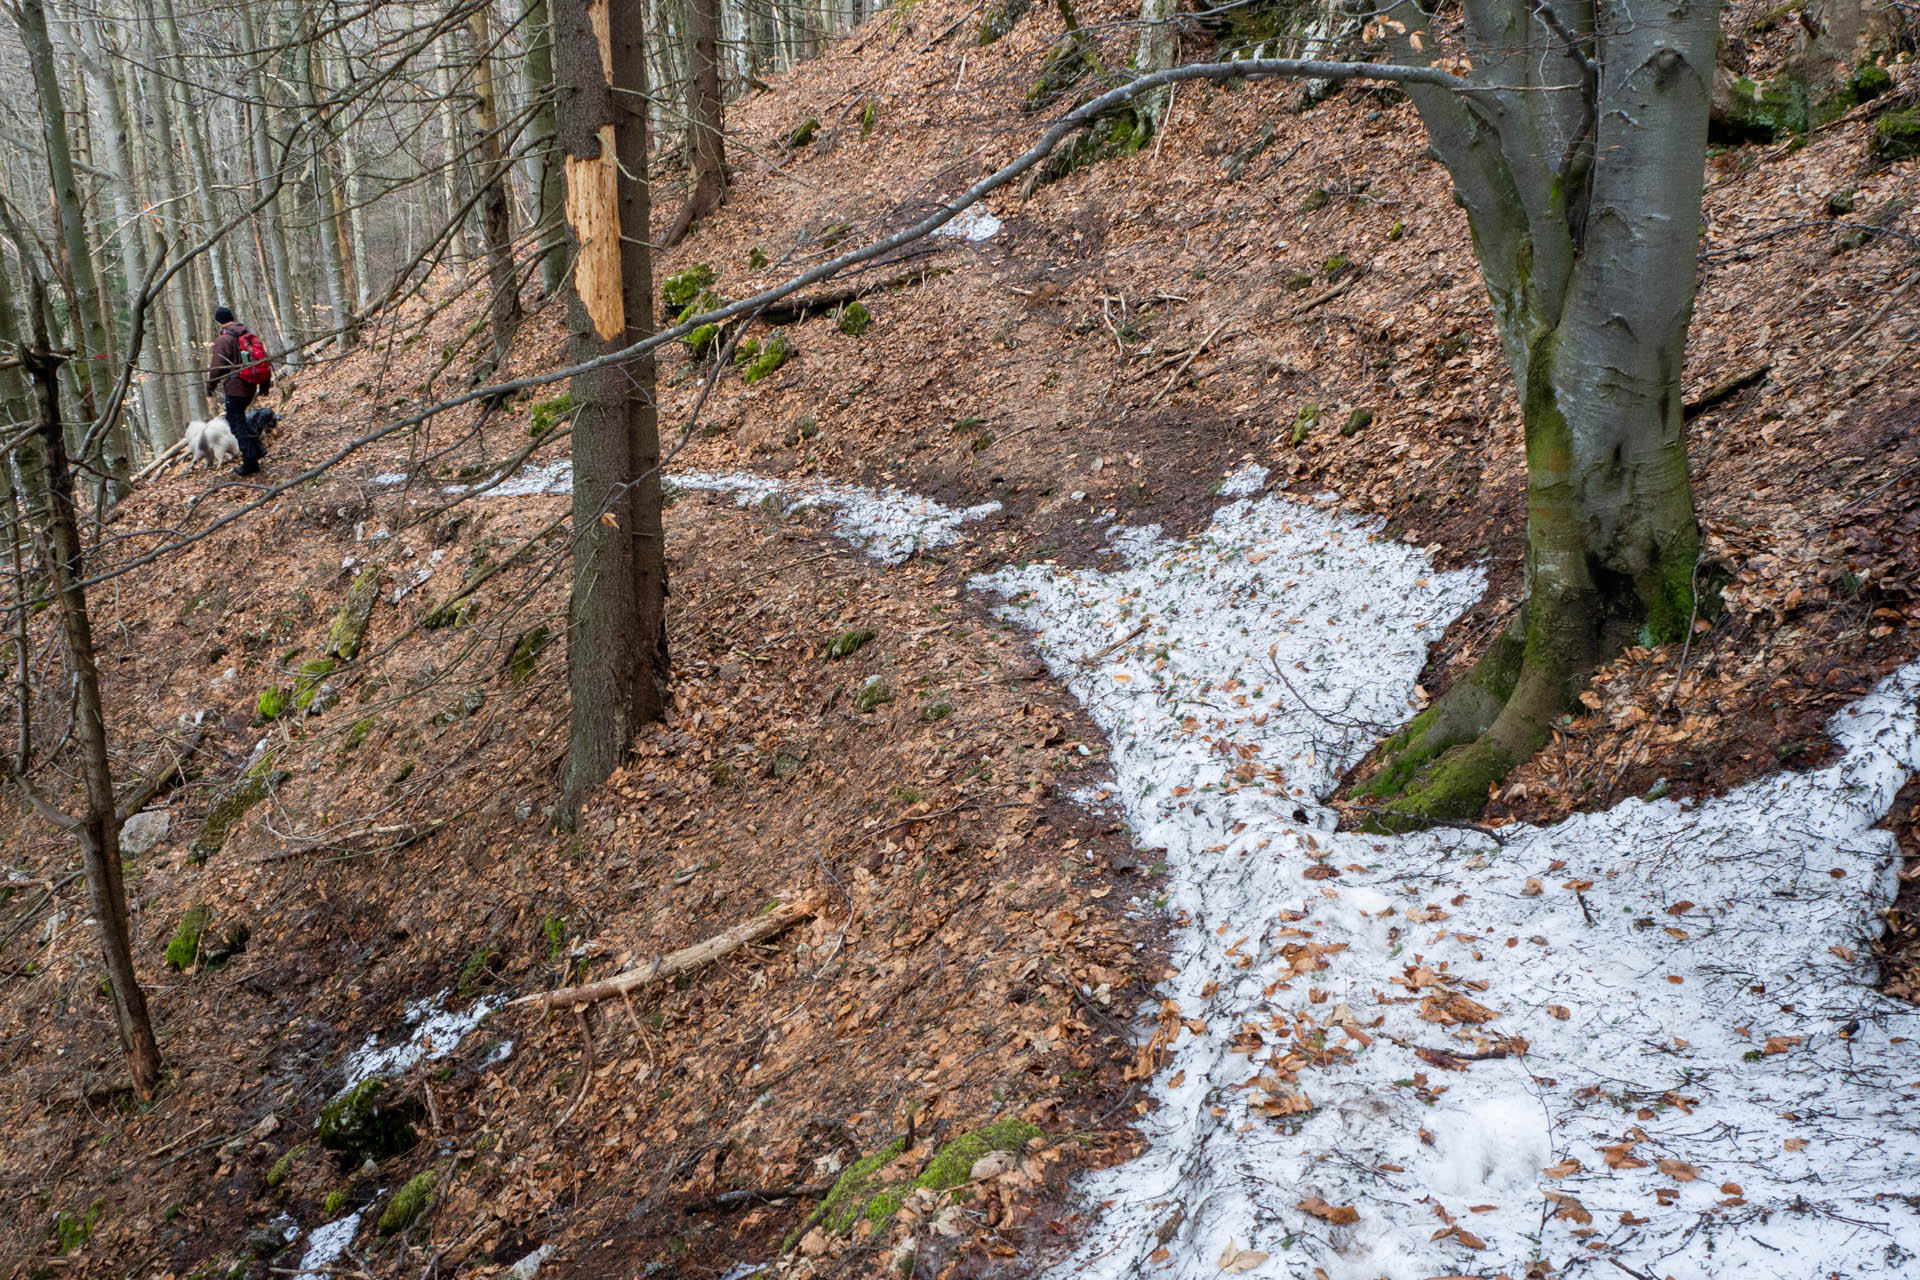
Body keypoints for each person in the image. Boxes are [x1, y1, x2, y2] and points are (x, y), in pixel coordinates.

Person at [205, 306, 272, 476]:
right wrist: (264, 385)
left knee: (236, 425)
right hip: (250, 385)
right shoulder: (247, 334)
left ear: (218, 322)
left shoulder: (224, 340)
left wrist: (210, 387)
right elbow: (263, 359)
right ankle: (257, 449)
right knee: (240, 419)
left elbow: (217, 367)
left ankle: (250, 462)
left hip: (236, 388)